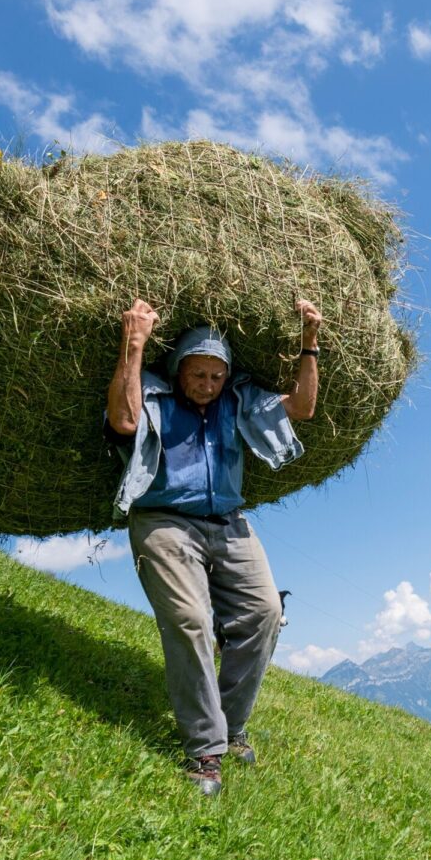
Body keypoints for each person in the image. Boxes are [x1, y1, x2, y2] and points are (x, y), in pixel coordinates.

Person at [105, 296, 324, 795]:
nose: (207, 385)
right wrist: (134, 343)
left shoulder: (236, 401)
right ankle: (206, 751)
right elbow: (121, 420)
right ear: (178, 369)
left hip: (228, 521)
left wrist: (309, 343)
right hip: (163, 520)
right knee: (191, 620)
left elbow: (303, 407)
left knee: (265, 612)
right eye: (197, 374)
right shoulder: (154, 394)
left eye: (215, 377)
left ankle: (232, 725)